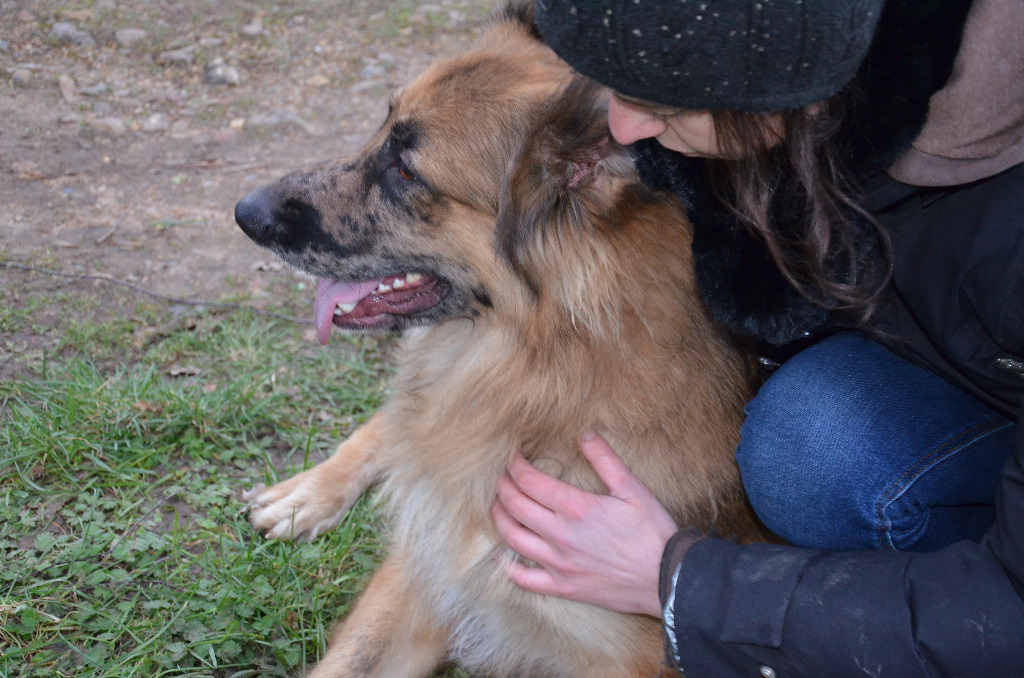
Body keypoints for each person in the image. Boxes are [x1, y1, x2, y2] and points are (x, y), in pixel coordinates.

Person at [491, 1, 1024, 675]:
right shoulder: (809, 82)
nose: (623, 129)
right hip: (964, 358)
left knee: (810, 455)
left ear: (801, 84)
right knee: (810, 444)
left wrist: (680, 582)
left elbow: (1010, 613)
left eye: (664, 105)